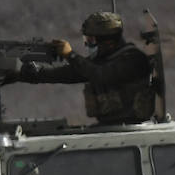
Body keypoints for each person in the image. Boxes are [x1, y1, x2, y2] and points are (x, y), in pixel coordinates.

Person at [16, 11, 154, 125]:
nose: (87, 45)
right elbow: (70, 73)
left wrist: (70, 55)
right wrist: (29, 73)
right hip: (110, 127)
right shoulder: (103, 59)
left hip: (132, 127)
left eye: (91, 40)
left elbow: (101, 75)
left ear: (109, 41)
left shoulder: (133, 60)